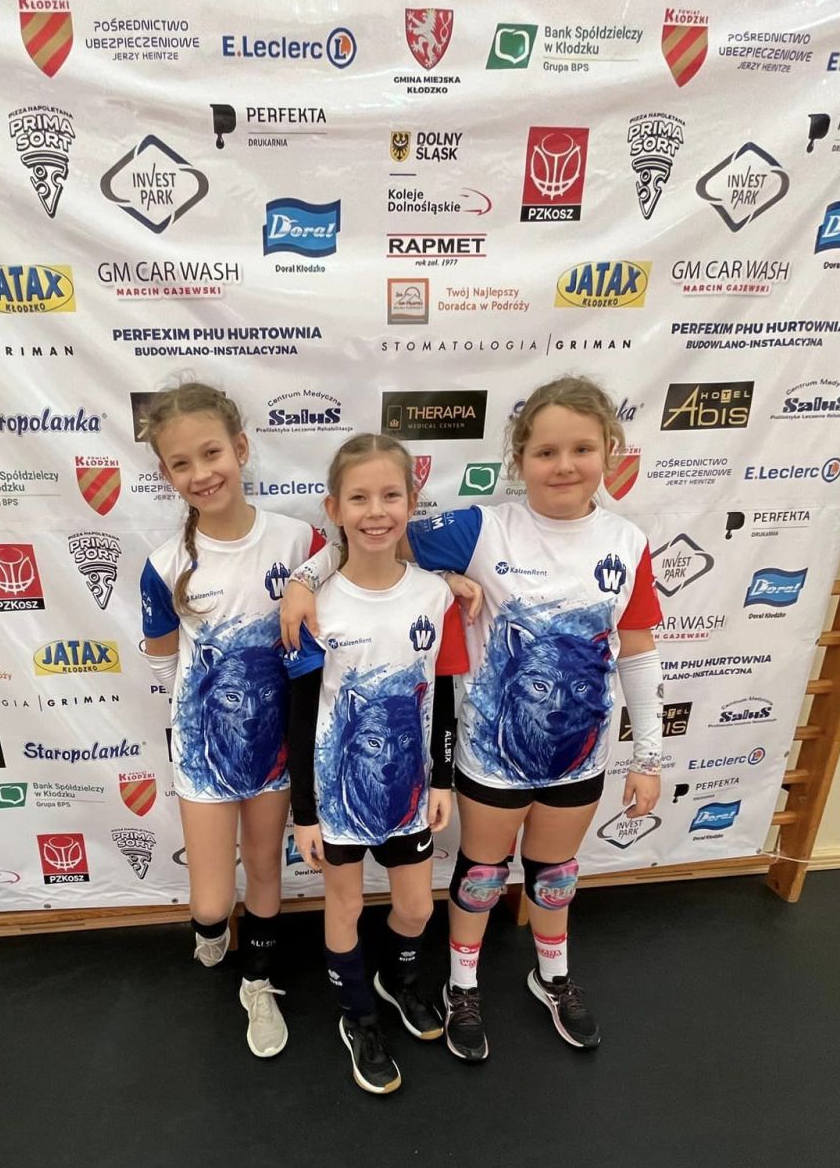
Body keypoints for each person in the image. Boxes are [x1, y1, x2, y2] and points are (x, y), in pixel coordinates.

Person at [282, 376, 663, 1061]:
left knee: (555, 874)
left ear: (610, 450)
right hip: (491, 759)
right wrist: (303, 581)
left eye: (581, 449)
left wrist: (651, 756)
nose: (564, 465)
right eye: (545, 451)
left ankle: (554, 975)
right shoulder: (481, 527)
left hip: (582, 757)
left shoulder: (628, 541)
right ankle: (461, 985)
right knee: (483, 875)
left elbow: (638, 652)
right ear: (519, 459)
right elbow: (374, 538)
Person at [140, 382, 325, 1059]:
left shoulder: (298, 539)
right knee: (213, 902)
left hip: (276, 744)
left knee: (267, 872)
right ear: (166, 474)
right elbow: (163, 662)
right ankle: (212, 931)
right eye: (181, 463)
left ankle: (259, 980)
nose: (201, 473)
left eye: (212, 452)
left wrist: (447, 581)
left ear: (241, 449)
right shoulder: (165, 565)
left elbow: (364, 563)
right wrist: (195, 725)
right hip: (205, 750)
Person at [285, 434, 470, 1095]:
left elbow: (443, 693)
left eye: (391, 495)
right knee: (345, 905)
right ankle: (358, 1017)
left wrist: (442, 777)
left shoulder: (435, 597)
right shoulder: (313, 605)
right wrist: (305, 811)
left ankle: (399, 979)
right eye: (358, 498)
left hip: (410, 791)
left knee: (416, 907)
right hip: (336, 796)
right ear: (334, 509)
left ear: (412, 504)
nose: (376, 511)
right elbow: (301, 715)